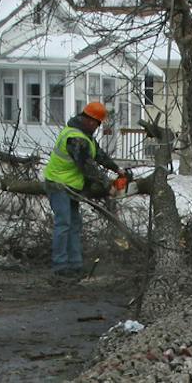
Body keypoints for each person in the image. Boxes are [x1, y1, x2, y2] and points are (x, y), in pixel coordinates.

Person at [42, 99, 123, 276]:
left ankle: (75, 263)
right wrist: (107, 184)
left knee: (74, 224)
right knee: (63, 223)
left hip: (71, 185)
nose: (97, 127)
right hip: (58, 183)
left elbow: (99, 156)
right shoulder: (75, 138)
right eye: (97, 123)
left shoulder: (86, 136)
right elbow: (87, 166)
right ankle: (60, 266)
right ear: (89, 120)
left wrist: (117, 169)